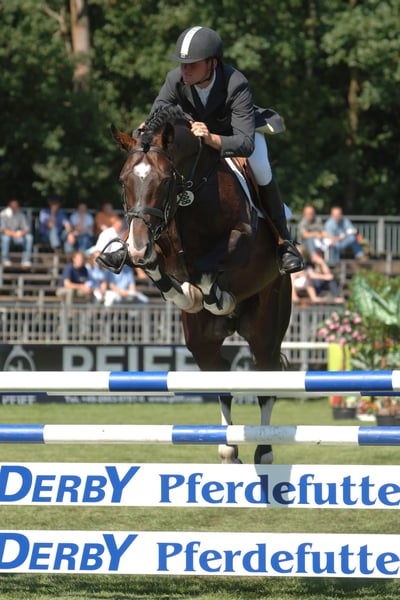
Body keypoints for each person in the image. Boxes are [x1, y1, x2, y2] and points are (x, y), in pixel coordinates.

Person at [102, 26, 303, 275]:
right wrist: (143, 130)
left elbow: (245, 142)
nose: (185, 70)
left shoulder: (235, 83)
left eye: (192, 65)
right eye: (182, 64)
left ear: (212, 63)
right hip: (195, 138)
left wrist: (213, 138)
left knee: (260, 167)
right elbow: (156, 115)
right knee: (154, 173)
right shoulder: (175, 79)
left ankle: (284, 242)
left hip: (234, 134)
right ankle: (128, 242)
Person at [0, 199, 34, 268]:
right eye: (12, 206)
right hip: (6, 236)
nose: (14, 207)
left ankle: (26, 260)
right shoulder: (3, 215)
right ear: (9, 206)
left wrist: (21, 233)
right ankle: (5, 260)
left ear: (18, 206)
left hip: (17, 236)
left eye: (16, 206)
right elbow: (3, 229)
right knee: (6, 238)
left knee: (29, 237)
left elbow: (26, 229)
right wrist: (14, 234)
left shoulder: (21, 215)